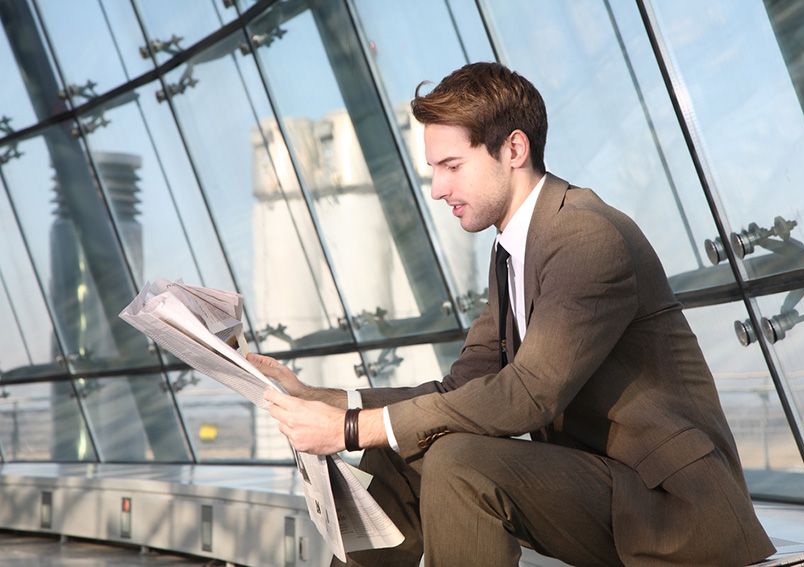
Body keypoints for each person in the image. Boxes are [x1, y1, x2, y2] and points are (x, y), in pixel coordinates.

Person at [251, 62, 775, 566]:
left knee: (457, 463)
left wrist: (348, 429)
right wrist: (323, 399)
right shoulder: (513, 250)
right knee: (398, 449)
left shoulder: (584, 236)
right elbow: (461, 388)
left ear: (514, 149)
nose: (437, 189)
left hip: (673, 511)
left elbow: (529, 394)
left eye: (451, 166)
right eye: (434, 170)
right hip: (605, 488)